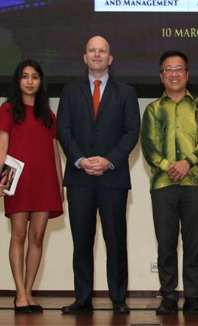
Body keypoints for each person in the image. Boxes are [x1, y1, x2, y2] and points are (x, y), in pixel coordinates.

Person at [57, 36, 140, 315]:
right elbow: (63, 131)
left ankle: (118, 297)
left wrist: (109, 160)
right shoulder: (69, 92)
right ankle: (82, 298)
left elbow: (131, 133)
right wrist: (81, 160)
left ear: (110, 58)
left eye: (102, 51)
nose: (97, 55)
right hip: (80, 178)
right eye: (92, 50)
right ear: (84, 58)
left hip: (112, 177)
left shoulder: (126, 92)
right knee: (82, 240)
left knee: (115, 240)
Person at [141, 51, 198, 315]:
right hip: (162, 185)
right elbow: (149, 146)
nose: (174, 74)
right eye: (168, 69)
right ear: (161, 76)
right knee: (166, 243)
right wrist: (168, 167)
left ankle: (193, 298)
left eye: (179, 69)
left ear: (187, 74)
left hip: (194, 182)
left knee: (194, 243)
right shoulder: (152, 109)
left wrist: (187, 162)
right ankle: (169, 296)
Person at [0, 59, 63, 313]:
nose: (30, 81)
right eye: (25, 76)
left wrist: (60, 184)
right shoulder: (8, 110)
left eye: (35, 76)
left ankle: (29, 292)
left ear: (40, 81)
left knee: (38, 237)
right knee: (19, 235)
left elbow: (55, 152)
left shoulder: (49, 114)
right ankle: (19, 292)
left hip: (45, 182)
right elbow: (2, 146)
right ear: (18, 81)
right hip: (18, 181)